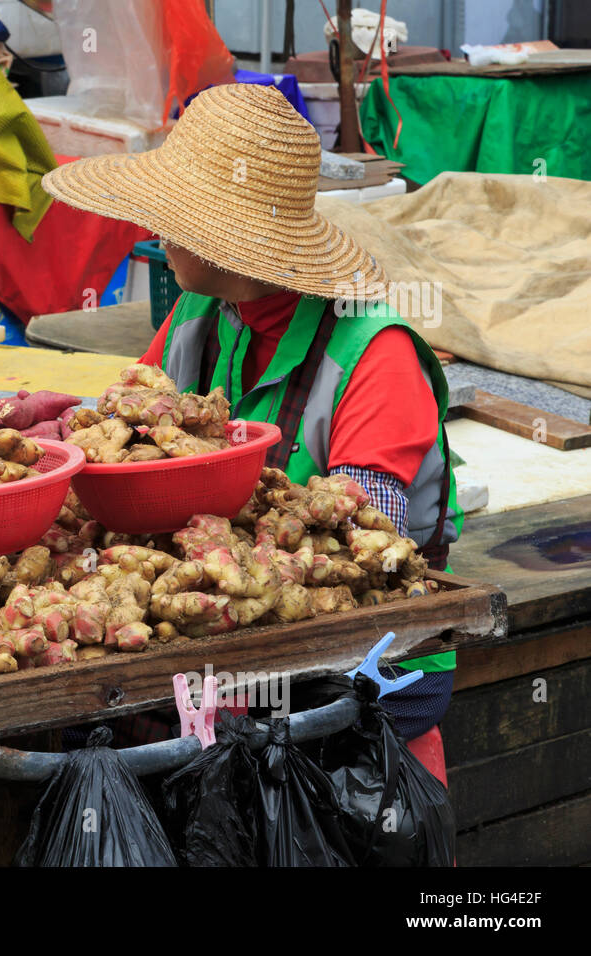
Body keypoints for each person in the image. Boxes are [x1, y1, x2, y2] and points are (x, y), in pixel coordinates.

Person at [41, 83, 460, 758]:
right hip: (221, 661)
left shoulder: (374, 356)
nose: (157, 232)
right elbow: (113, 438)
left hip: (353, 690)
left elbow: (359, 564)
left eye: (176, 216)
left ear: (230, 239)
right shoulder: (198, 317)